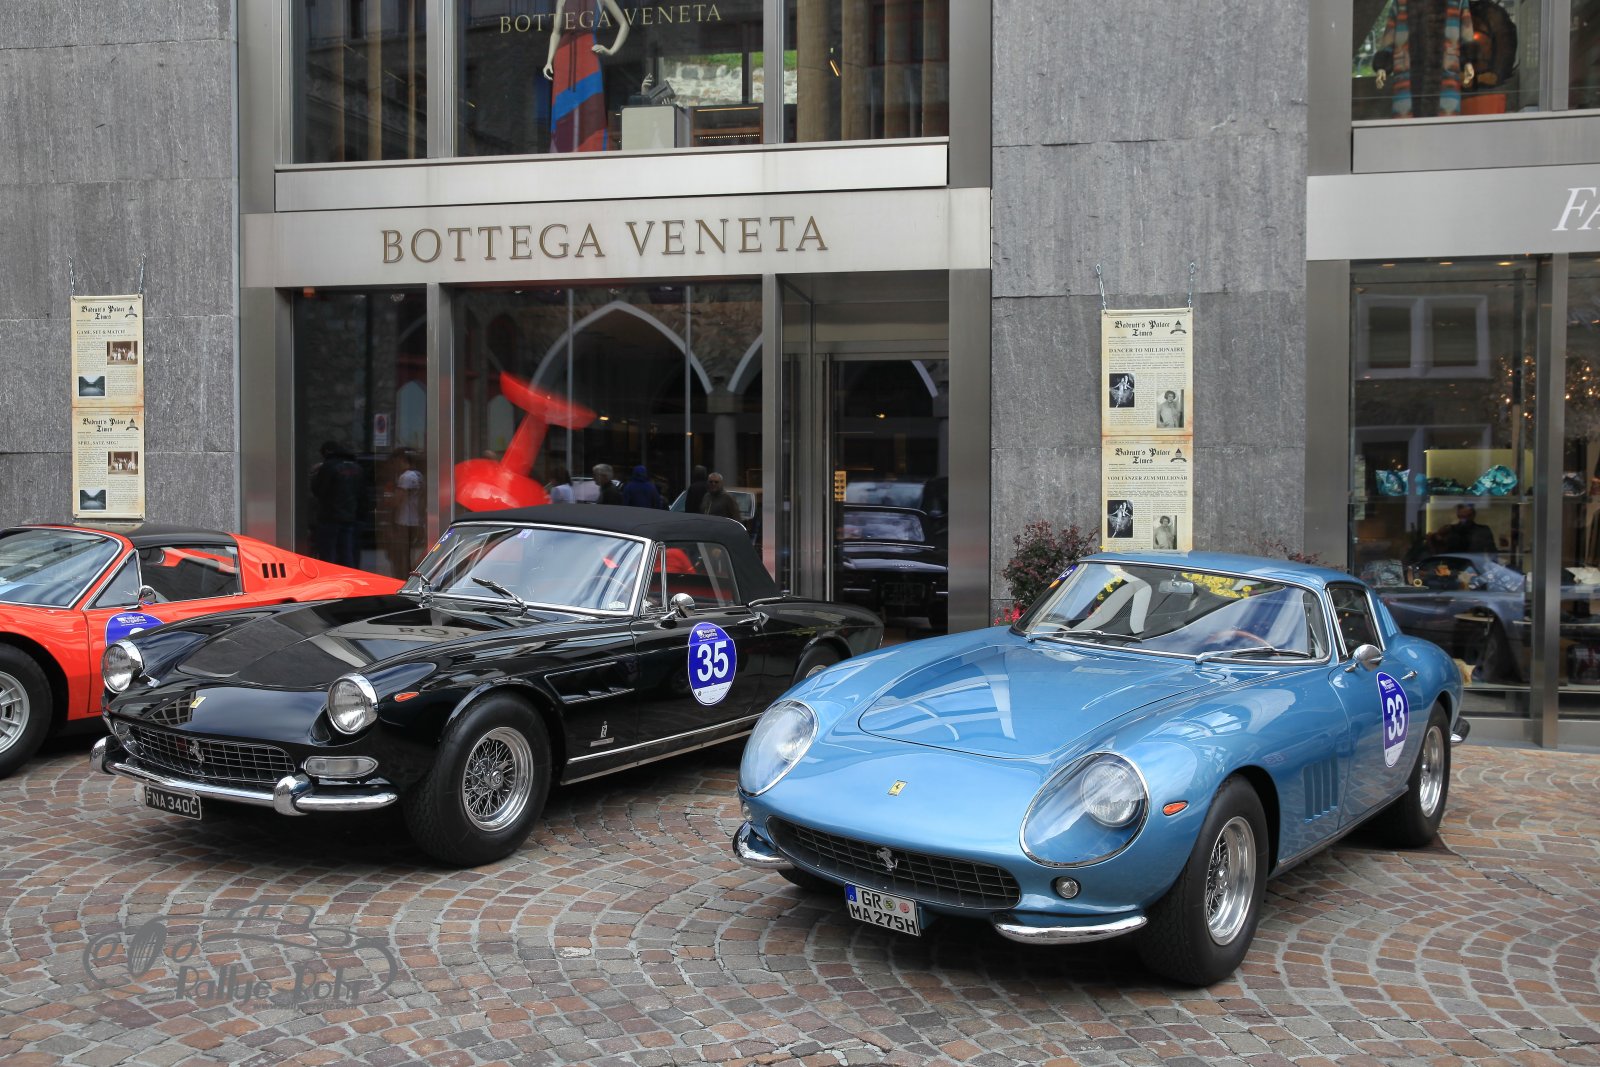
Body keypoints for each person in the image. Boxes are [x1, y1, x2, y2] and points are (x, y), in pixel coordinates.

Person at [310, 441, 363, 568]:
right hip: (349, 516)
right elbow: (361, 493)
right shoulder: (356, 467)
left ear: (327, 452)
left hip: (330, 516)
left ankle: (330, 576)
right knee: (347, 552)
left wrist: (314, 475)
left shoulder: (328, 467)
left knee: (328, 553)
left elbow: (319, 490)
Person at [393, 450, 424, 574]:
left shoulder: (405, 477)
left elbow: (398, 498)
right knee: (411, 550)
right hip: (415, 518)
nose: (396, 464)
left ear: (403, 461)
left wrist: (389, 503)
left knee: (403, 551)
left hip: (404, 519)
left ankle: (404, 574)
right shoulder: (419, 475)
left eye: (397, 461)